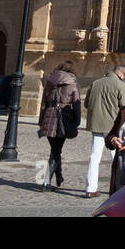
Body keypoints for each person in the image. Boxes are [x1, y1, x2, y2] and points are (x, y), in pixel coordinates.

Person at [84, 64, 125, 198]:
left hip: (97, 124)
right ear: (121, 75)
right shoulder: (120, 85)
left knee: (94, 156)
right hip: (113, 127)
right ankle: (118, 187)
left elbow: (87, 103)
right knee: (116, 157)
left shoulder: (95, 83)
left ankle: (90, 188)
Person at [37, 59, 81, 191]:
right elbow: (77, 104)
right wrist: (77, 121)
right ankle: (45, 183)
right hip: (64, 118)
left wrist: (41, 120)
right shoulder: (72, 83)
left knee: (55, 149)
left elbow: (43, 102)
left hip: (49, 117)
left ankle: (59, 177)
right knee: (55, 151)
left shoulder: (50, 81)